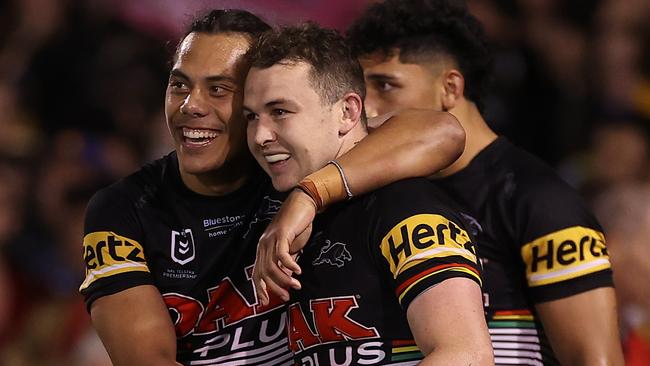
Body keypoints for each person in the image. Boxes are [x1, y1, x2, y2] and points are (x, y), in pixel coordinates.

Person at [79, 9, 467, 366]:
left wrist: (308, 194)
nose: (190, 106)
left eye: (218, 89)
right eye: (180, 85)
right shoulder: (124, 208)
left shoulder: (291, 164)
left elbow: (441, 131)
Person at [254, 1, 625, 365]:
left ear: (450, 88)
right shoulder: (366, 186)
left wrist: (308, 195)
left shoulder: (540, 200)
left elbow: (595, 358)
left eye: (386, 85)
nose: (368, 107)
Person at [243, 22, 493, 365]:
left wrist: (308, 194)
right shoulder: (298, 210)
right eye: (251, 117)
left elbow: (467, 356)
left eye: (281, 112)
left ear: (347, 112)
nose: (260, 136)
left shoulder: (407, 206)